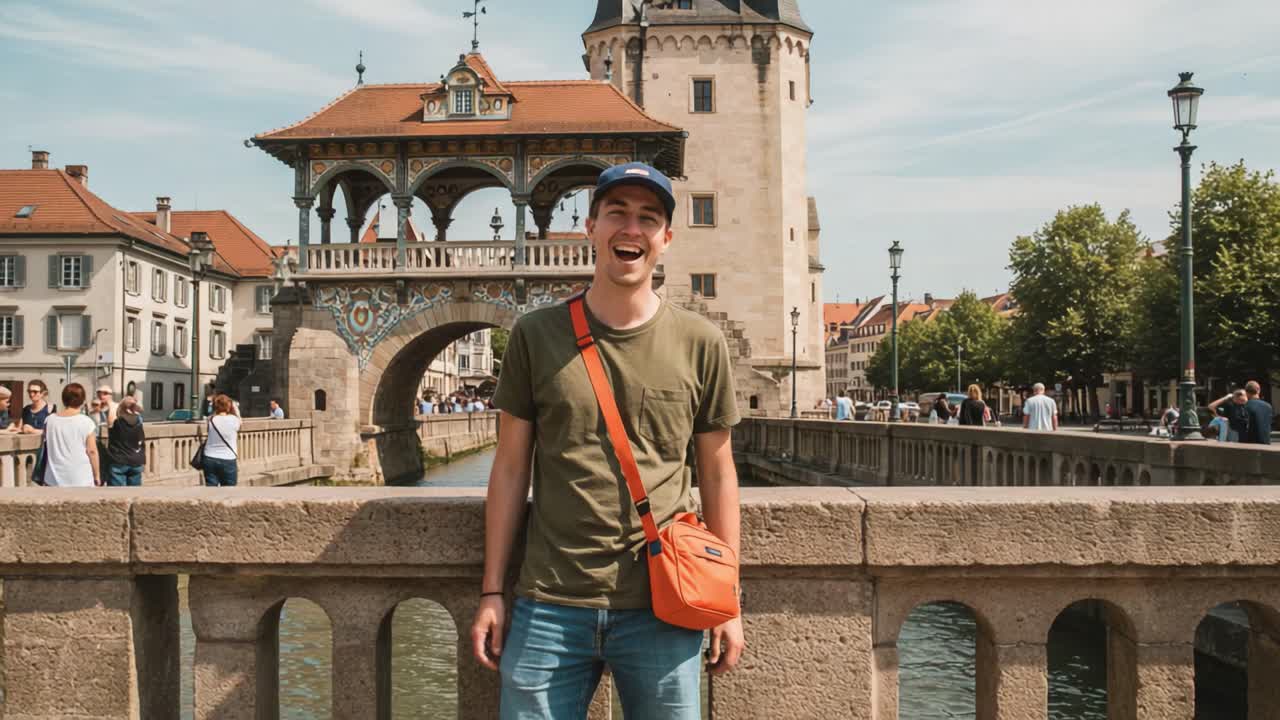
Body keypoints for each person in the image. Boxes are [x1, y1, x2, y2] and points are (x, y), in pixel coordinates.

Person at [470, 161, 744, 719]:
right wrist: (492, 591)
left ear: (666, 238)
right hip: (549, 602)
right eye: (616, 212)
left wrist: (727, 600)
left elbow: (717, 473)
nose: (631, 228)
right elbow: (509, 469)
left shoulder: (702, 343)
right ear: (591, 226)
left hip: (665, 606)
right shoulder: (534, 334)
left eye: (648, 218)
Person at [40, 383, 100, 487]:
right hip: (81, 478)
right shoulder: (87, 422)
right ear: (82, 400)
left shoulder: (49, 420)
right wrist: (97, 476)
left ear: (63, 399)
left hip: (53, 478)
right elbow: (92, 451)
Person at [203, 394, 241, 487]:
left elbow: (210, 421)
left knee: (211, 489)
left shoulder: (211, 419)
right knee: (229, 490)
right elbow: (240, 421)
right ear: (229, 405)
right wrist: (235, 408)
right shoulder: (234, 420)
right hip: (228, 458)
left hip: (210, 457)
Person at [106, 396, 145, 486]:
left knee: (117, 496)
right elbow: (137, 413)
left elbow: (110, 421)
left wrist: (112, 405)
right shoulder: (139, 422)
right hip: (137, 461)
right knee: (135, 495)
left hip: (119, 461)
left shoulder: (118, 423)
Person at [1243, 381, 1273, 445]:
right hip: (1266, 443)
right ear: (1259, 390)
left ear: (1246, 392)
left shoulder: (1246, 406)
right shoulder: (1268, 406)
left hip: (1251, 444)